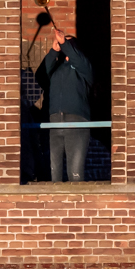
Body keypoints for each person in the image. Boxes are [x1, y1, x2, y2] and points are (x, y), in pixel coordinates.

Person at [35, 29, 93, 182]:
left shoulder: (83, 67)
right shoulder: (55, 68)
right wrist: (53, 51)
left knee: (75, 173)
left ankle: (77, 197)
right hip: (53, 122)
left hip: (76, 121)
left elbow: (80, 61)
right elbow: (40, 76)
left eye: (67, 43)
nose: (63, 44)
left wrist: (66, 44)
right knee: (53, 174)